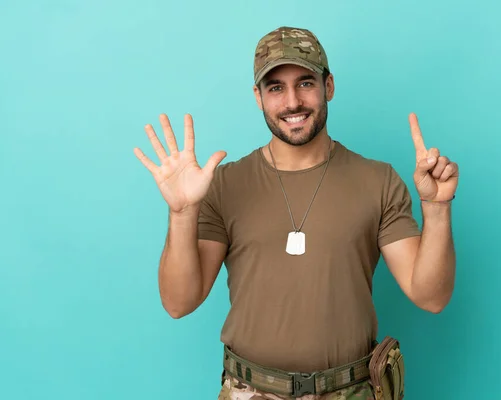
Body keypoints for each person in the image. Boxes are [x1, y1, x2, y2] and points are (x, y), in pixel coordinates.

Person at [134, 26, 459, 400]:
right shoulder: (225, 184)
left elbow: (430, 296)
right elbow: (179, 302)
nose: (292, 102)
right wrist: (181, 213)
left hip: (349, 391)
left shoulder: (378, 180)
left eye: (305, 83)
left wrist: (436, 207)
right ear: (258, 97)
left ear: (329, 86)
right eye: (275, 88)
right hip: (249, 391)